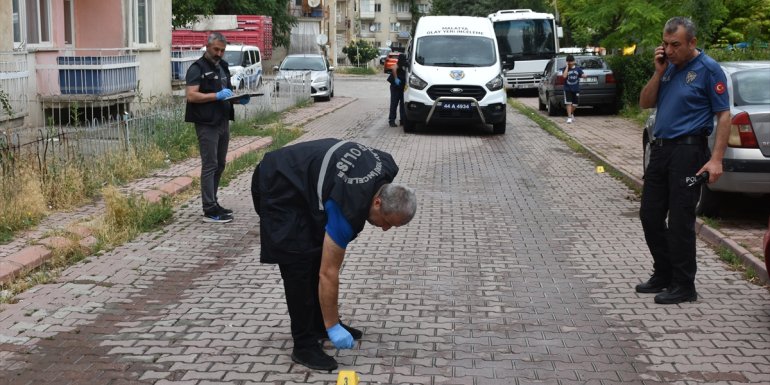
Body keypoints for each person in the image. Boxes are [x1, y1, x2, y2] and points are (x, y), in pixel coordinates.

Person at [250, 138, 417, 370]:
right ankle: (304, 345)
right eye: (387, 222)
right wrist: (333, 325)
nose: (385, 228)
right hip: (277, 184)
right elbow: (328, 274)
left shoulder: (386, 167)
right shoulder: (347, 208)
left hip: (304, 181)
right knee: (298, 263)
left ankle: (318, 324)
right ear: (377, 202)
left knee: (316, 252)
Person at [637, 17, 730, 304]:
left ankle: (684, 285)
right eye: (665, 44)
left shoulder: (708, 69)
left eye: (675, 44)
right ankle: (663, 274)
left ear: (692, 42)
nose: (669, 49)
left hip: (688, 152)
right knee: (649, 214)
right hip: (661, 150)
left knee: (680, 220)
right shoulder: (668, 69)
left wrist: (716, 159)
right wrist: (658, 72)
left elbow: (724, 115)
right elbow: (644, 102)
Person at [185, 32, 251, 223]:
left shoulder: (222, 67)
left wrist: (237, 99)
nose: (219, 53)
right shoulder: (197, 68)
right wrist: (216, 96)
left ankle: (214, 201)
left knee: (220, 164)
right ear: (207, 46)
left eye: (222, 50)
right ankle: (209, 209)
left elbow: (226, 92)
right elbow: (191, 95)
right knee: (210, 165)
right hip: (206, 123)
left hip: (222, 120)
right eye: (216, 49)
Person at [562, 54, 586, 124]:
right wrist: (567, 66)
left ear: (574, 61)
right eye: (568, 62)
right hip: (567, 89)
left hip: (576, 89)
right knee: (568, 103)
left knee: (575, 104)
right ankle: (569, 117)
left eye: (571, 62)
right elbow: (564, 76)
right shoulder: (565, 68)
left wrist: (584, 76)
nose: (570, 63)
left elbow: (582, 74)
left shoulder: (578, 69)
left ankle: (571, 113)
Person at [388, 53, 407, 127]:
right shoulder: (398, 64)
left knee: (402, 104)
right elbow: (393, 68)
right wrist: (396, 78)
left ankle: (402, 120)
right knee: (394, 103)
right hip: (395, 86)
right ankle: (391, 120)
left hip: (402, 87)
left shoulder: (405, 64)